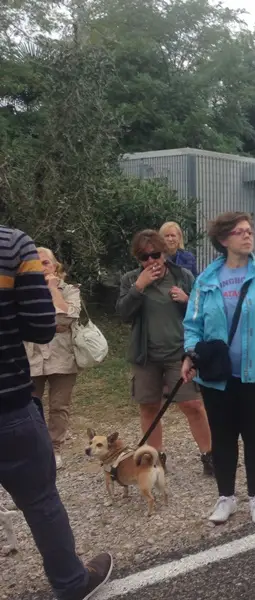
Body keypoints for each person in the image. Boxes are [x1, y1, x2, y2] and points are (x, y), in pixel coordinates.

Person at [0, 226, 113, 599]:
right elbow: (40, 326)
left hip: (41, 377)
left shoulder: (68, 287)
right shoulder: (12, 244)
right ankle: (70, 583)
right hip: (8, 404)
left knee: (59, 408)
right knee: (40, 500)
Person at [182, 211, 255, 525]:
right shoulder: (206, 280)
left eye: (249, 231)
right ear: (223, 240)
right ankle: (226, 498)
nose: (247, 236)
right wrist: (190, 354)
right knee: (222, 437)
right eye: (239, 232)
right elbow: (192, 324)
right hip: (217, 377)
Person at [116, 230, 213, 475]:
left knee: (192, 404)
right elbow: (123, 314)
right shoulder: (131, 279)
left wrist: (186, 299)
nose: (150, 261)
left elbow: (203, 312)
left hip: (179, 353)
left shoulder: (183, 276)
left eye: (154, 255)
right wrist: (139, 287)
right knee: (149, 407)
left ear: (164, 253)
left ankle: (210, 455)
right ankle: (156, 457)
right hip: (145, 355)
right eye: (143, 257)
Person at [23, 247, 82, 470]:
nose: (41, 268)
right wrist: (51, 323)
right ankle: (34, 449)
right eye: (36, 263)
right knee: (29, 405)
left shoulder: (70, 289)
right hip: (31, 357)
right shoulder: (24, 290)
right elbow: (24, 321)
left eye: (45, 263)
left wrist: (53, 290)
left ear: (55, 266)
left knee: (59, 406)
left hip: (62, 357)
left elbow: (68, 318)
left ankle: (54, 448)